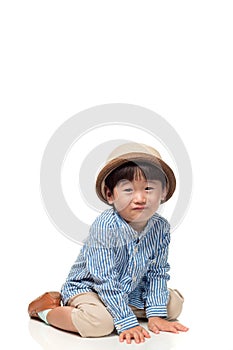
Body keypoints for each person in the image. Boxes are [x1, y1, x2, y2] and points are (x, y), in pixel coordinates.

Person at [28, 142, 189, 344]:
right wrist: (126, 321)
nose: (140, 198)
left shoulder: (161, 227)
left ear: (163, 192)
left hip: (128, 288)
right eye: (128, 189)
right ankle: (46, 311)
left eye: (149, 188)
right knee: (99, 325)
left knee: (173, 305)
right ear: (110, 195)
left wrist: (156, 315)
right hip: (91, 288)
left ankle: (121, 311)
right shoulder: (105, 226)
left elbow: (157, 271)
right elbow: (104, 280)